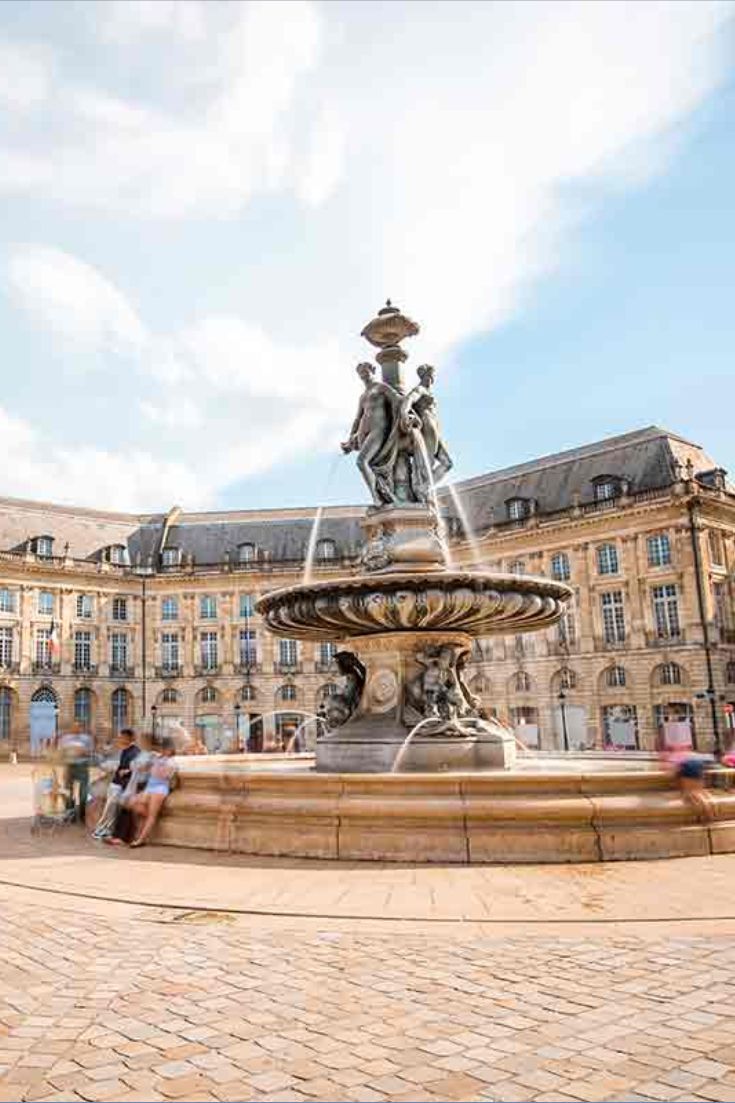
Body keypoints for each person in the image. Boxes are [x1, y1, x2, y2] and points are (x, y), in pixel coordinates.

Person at [129, 737, 177, 848]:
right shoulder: (156, 758)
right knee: (133, 802)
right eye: (162, 748)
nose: (162, 750)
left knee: (151, 815)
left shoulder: (171, 761)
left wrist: (155, 767)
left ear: (170, 749)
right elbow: (144, 769)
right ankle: (152, 820)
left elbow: (165, 776)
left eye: (165, 748)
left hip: (160, 788)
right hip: (150, 787)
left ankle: (141, 840)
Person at [91, 728, 139, 839]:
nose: (119, 739)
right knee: (109, 808)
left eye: (121, 737)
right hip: (117, 783)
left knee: (110, 809)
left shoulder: (134, 752)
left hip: (120, 784)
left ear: (128, 738)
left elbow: (136, 768)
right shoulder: (127, 750)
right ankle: (103, 829)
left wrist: (126, 771)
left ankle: (104, 830)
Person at [59, 722, 94, 823]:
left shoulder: (86, 739)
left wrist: (82, 751)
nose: (76, 728)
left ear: (81, 728)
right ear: (71, 728)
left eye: (78, 727)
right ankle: (70, 814)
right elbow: (61, 752)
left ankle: (82, 814)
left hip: (82, 766)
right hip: (69, 766)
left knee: (83, 792)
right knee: (68, 791)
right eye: (74, 727)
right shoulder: (65, 738)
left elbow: (90, 752)